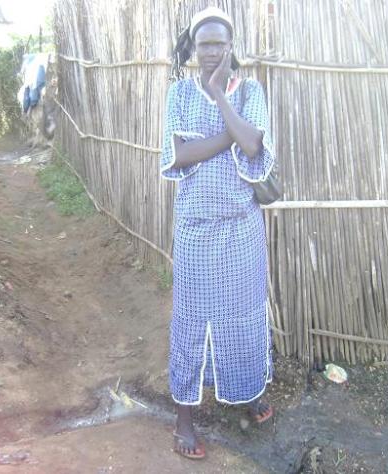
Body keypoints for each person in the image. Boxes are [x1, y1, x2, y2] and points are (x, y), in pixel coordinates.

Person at [160, 6, 276, 460]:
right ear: (193, 48)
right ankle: (184, 420)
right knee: (191, 321)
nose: (211, 51)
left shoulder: (249, 91)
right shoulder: (178, 94)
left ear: (230, 47)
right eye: (203, 44)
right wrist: (231, 134)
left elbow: (253, 146)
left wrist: (220, 98)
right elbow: (179, 155)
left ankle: (247, 394)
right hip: (195, 228)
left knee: (244, 317)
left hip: (242, 228)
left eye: (218, 44)